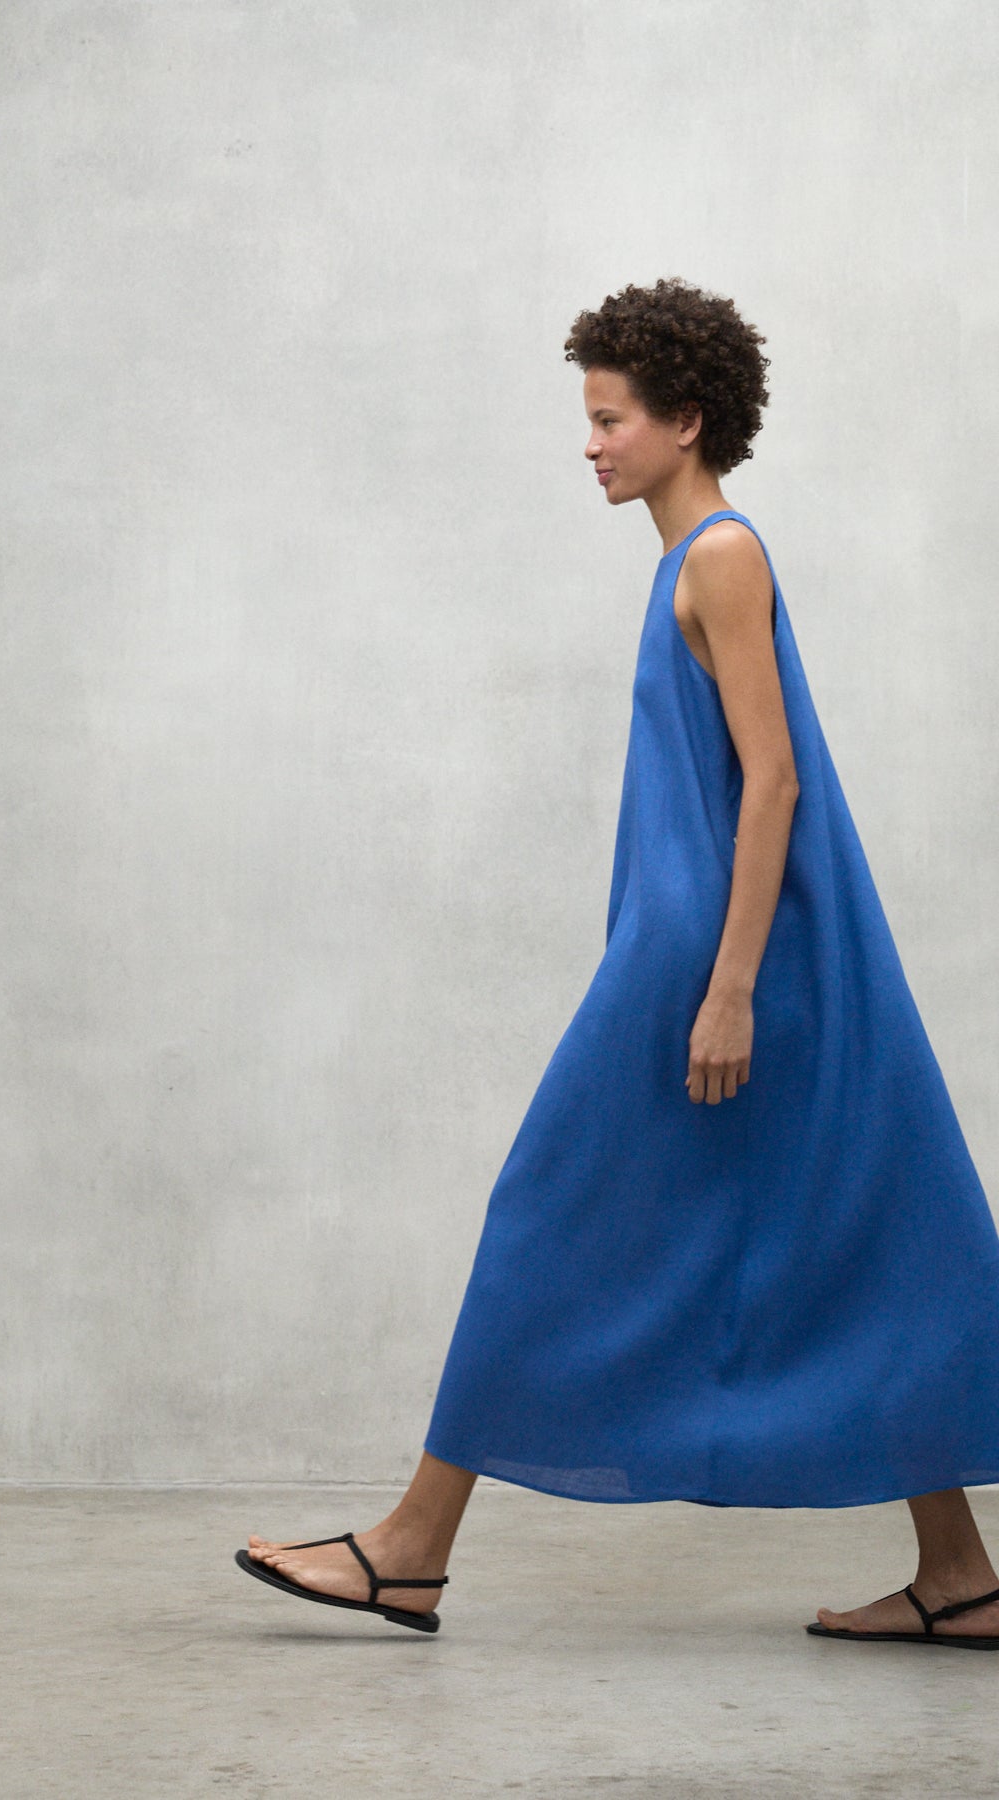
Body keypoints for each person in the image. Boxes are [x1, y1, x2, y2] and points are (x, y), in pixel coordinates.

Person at [238, 277, 999, 1649]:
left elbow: (772, 782)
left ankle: (409, 1550)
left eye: (609, 419)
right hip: (709, 952)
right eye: (588, 420)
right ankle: (961, 1574)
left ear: (684, 420)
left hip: (710, 965)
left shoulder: (721, 554)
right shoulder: (689, 560)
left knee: (546, 1212)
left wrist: (729, 988)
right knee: (850, 1228)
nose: (588, 444)